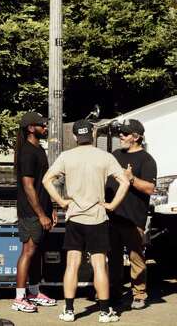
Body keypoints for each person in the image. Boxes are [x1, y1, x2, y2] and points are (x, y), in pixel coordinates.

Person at [44, 119, 131, 323]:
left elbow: (46, 180)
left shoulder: (66, 157)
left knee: (72, 264)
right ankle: (104, 312)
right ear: (92, 134)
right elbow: (125, 181)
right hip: (98, 217)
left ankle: (68, 310)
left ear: (75, 137)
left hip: (75, 217)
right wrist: (112, 205)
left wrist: (61, 201)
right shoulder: (105, 157)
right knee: (100, 265)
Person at [106, 119, 156, 310]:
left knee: (136, 257)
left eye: (125, 134)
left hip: (133, 218)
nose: (121, 136)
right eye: (121, 133)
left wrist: (132, 179)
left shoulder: (146, 160)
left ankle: (139, 294)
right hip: (112, 217)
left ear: (136, 137)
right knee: (114, 258)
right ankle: (114, 293)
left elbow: (151, 188)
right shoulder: (115, 155)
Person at [11, 111, 58, 313]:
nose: (45, 127)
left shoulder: (39, 149)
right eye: (42, 125)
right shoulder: (28, 152)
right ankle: (19, 298)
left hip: (42, 210)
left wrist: (52, 208)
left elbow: (44, 183)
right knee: (28, 251)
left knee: (37, 251)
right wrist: (41, 214)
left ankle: (34, 292)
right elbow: (28, 186)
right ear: (31, 128)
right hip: (30, 212)